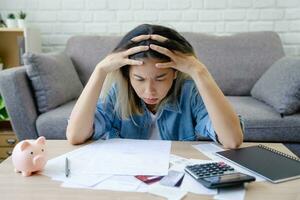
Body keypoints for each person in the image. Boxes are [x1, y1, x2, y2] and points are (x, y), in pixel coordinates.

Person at [66, 24, 244, 149]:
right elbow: (75, 136)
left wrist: (199, 71)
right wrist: (100, 71)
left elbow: (232, 141)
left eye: (160, 78)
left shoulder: (189, 93)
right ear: (127, 75)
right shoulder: (117, 94)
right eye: (139, 79)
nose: (149, 91)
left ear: (175, 72)